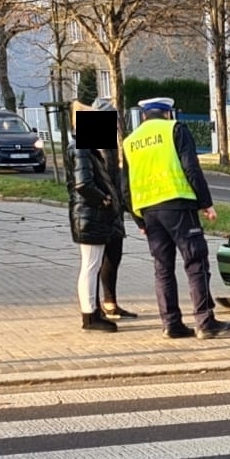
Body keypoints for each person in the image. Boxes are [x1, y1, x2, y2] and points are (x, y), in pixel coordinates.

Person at [121, 97, 230, 339]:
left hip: (149, 212)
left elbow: (125, 187)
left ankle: (171, 324)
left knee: (162, 269)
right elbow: (191, 167)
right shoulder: (175, 129)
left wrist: (138, 220)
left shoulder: (130, 141)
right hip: (178, 206)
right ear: (168, 114)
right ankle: (205, 321)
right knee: (195, 262)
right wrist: (206, 203)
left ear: (143, 116)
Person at [65, 105, 128, 333]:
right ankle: (89, 315)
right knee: (91, 266)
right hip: (90, 214)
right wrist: (104, 200)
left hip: (92, 214)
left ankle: (94, 311)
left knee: (93, 265)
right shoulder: (81, 148)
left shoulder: (88, 147)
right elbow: (83, 184)